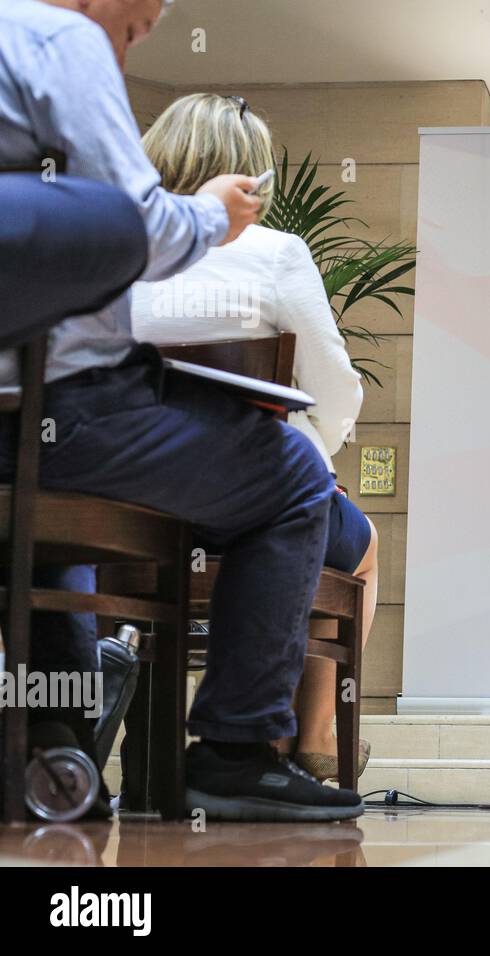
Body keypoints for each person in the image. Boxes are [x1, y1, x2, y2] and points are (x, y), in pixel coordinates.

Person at [0, 0, 362, 820]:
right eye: (137, 26)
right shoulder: (60, 41)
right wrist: (213, 218)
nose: (133, 45)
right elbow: (135, 228)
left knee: (55, 532)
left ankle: (54, 742)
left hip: (38, 459)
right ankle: (237, 749)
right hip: (87, 427)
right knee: (300, 481)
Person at [131, 92, 377, 782]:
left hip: (126, 514)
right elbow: (332, 385)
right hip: (241, 509)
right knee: (357, 543)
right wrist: (315, 451)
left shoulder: (122, 247)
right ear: (252, 176)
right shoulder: (275, 252)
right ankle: (310, 743)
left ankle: (135, 752)